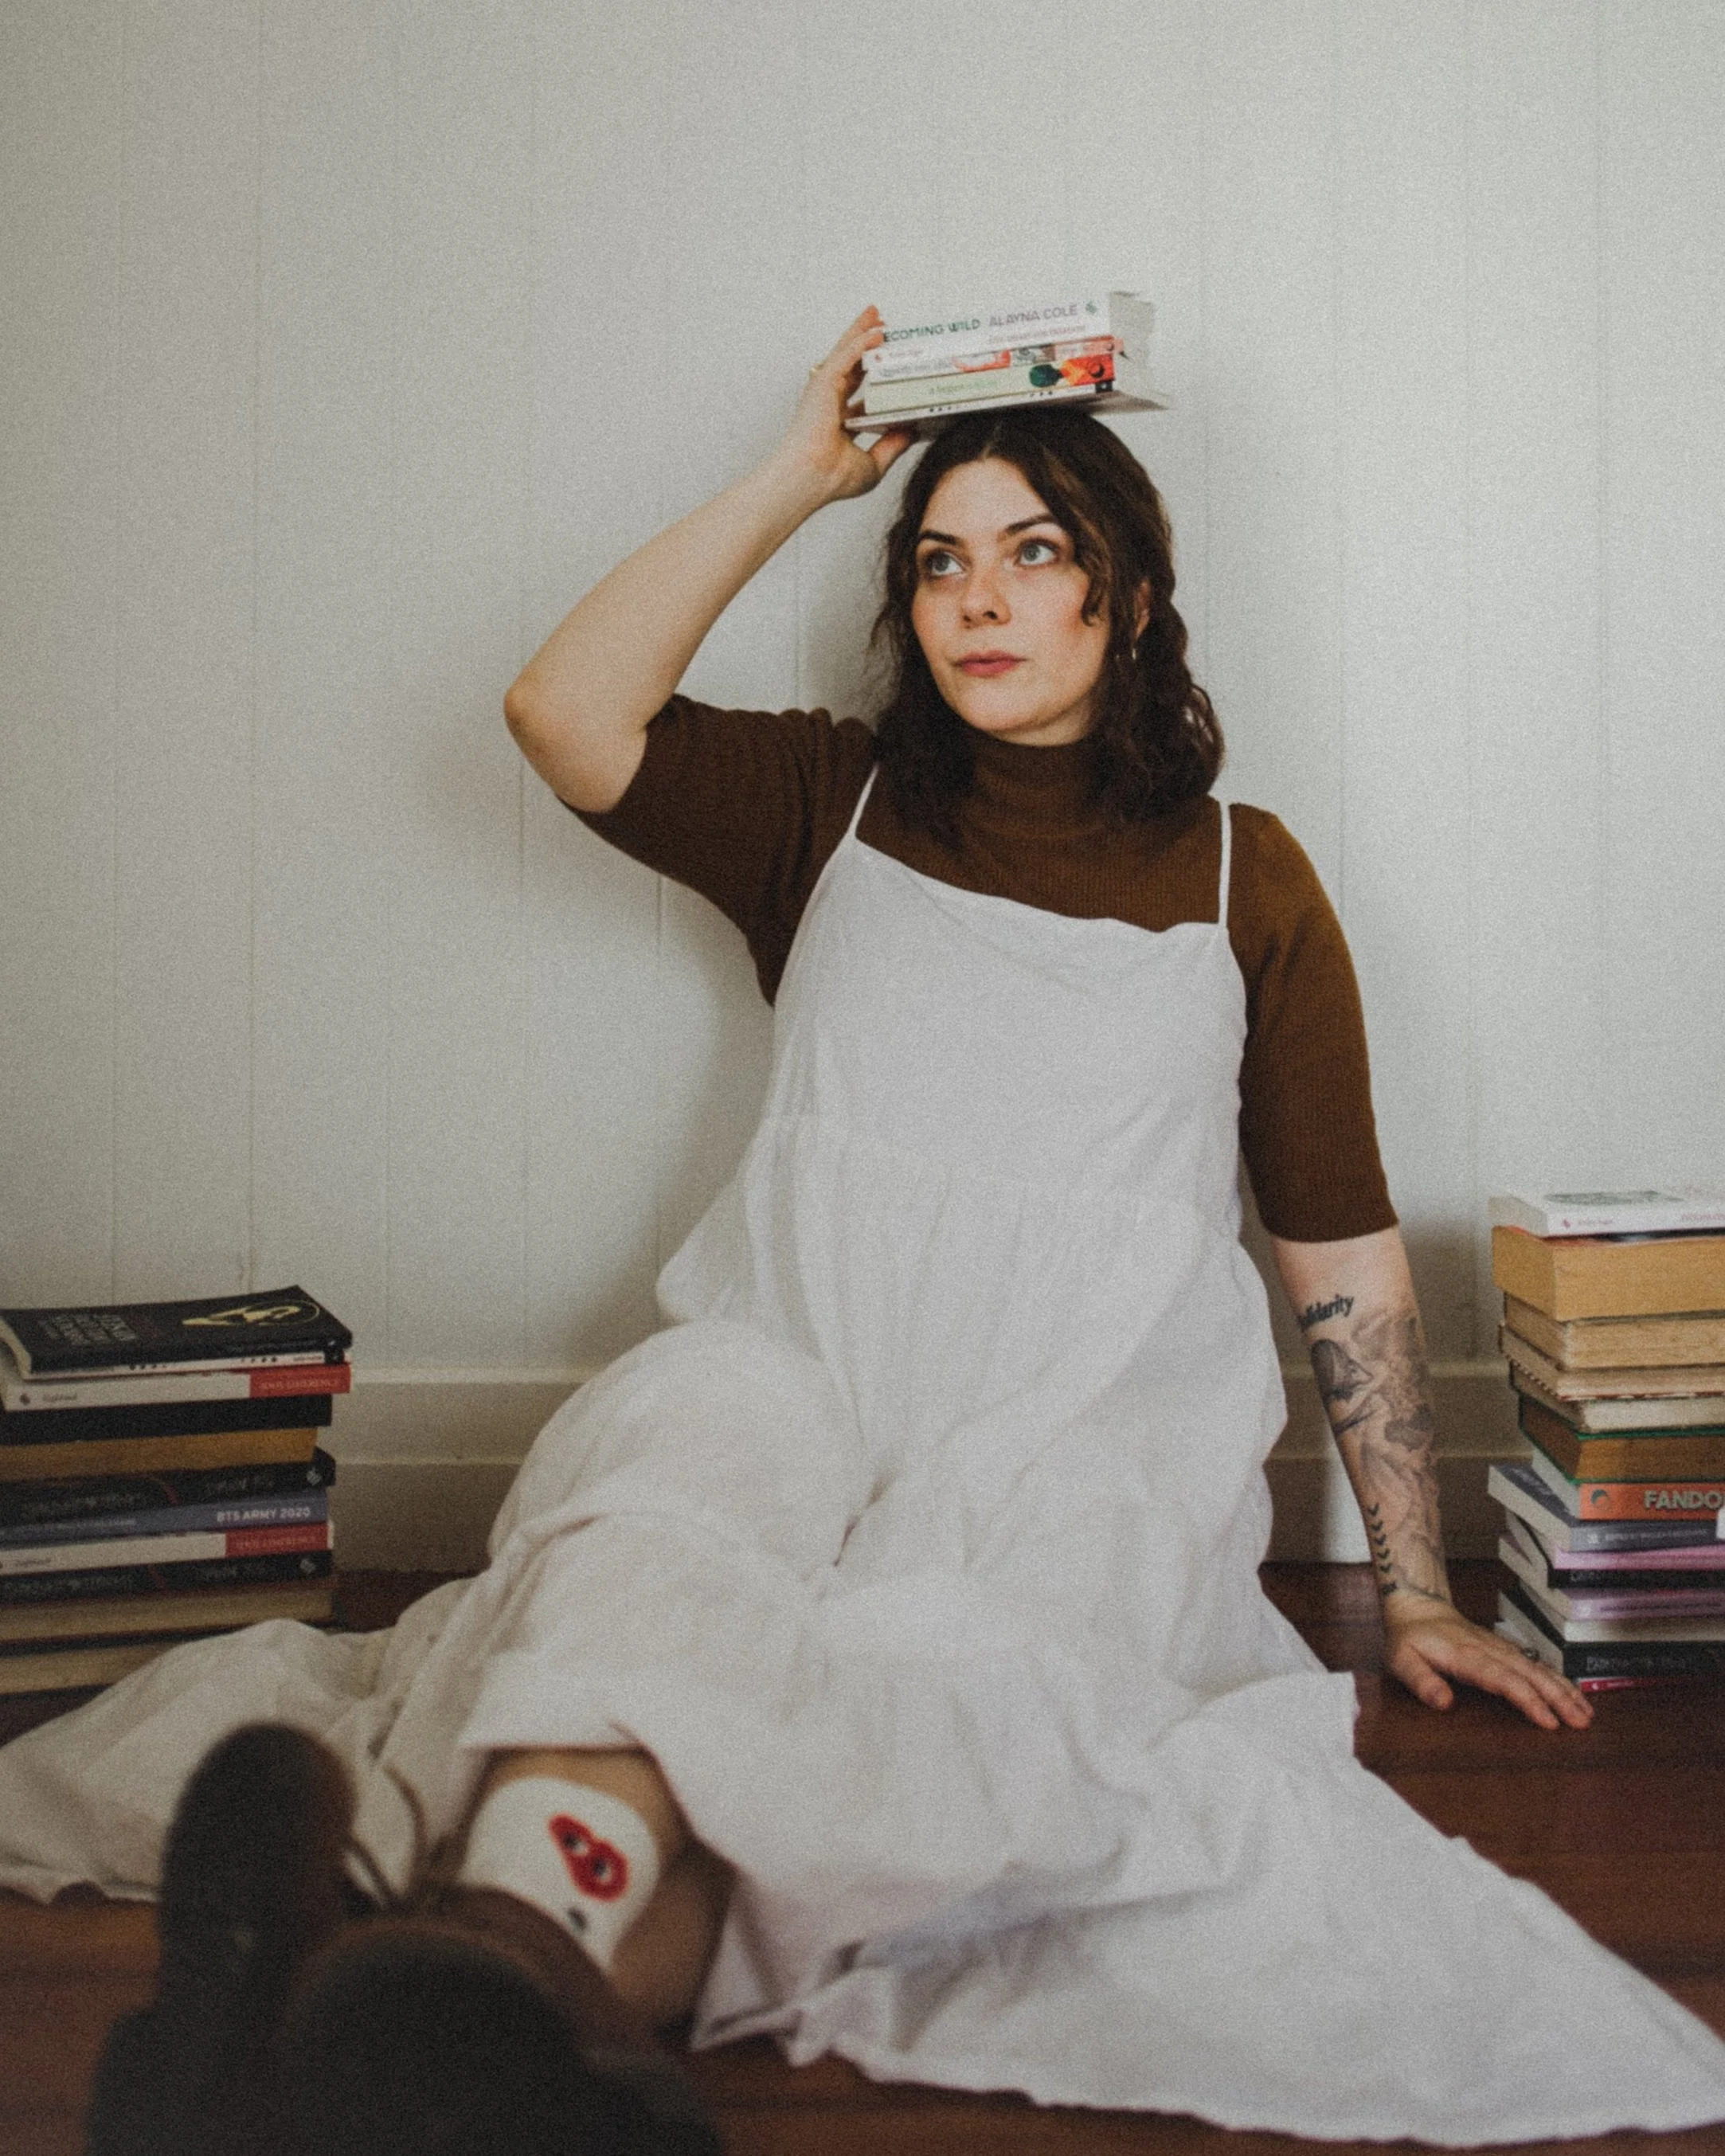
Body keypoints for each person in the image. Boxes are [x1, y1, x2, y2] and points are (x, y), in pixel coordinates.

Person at [10, 310, 1725, 2152]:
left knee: (901, 1704)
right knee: (651, 1530)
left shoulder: (1249, 874)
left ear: (1130, 602)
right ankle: (498, 2017)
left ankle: (400, 1996)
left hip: (1070, 1446)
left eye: (1036, 553)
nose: (979, 600)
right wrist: (799, 477)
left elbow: (1337, 1248)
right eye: (936, 562)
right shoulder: (831, 804)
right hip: (797, 1383)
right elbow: (562, 712)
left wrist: (1409, 1585)